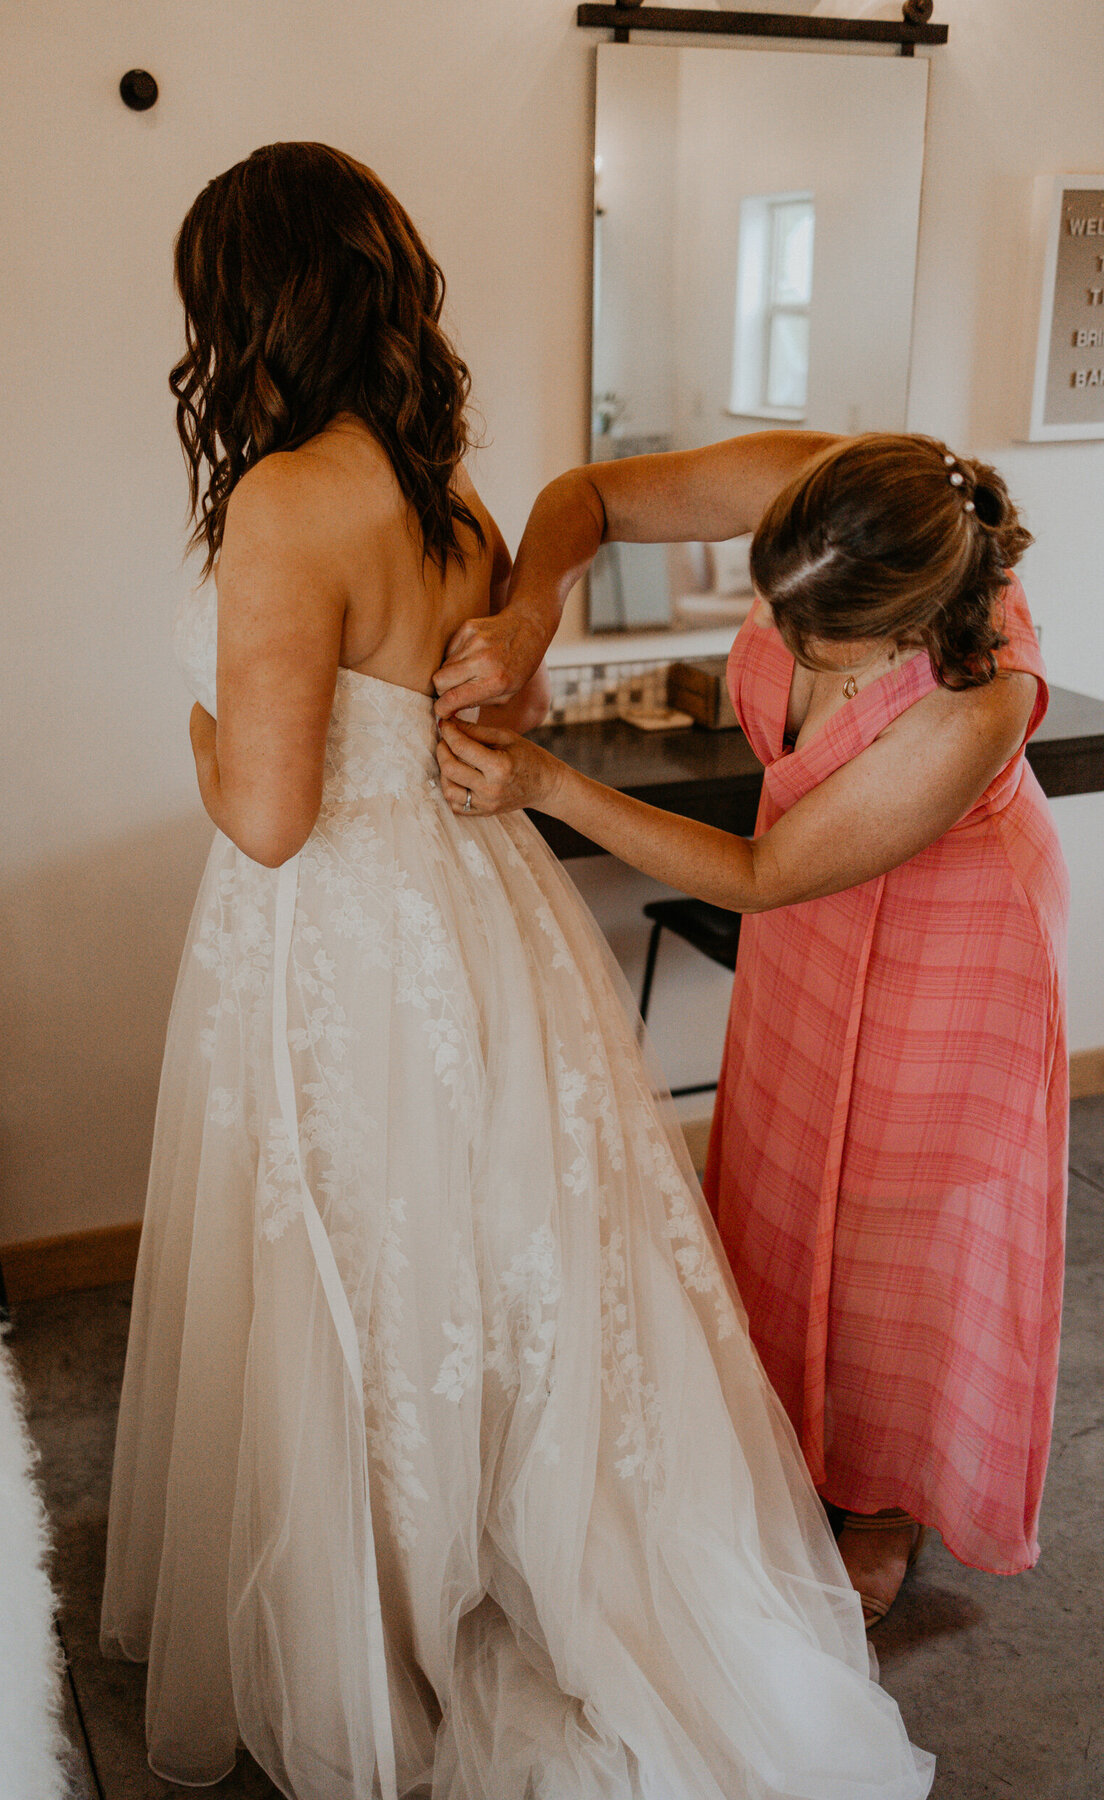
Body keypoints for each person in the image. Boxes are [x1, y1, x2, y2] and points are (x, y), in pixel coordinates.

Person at [101, 145, 935, 1799]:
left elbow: (267, 819)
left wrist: (199, 735)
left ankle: (382, 1608)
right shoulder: (451, 500)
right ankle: (504, 1550)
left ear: (246, 309)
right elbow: (493, 718)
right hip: (476, 916)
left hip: (338, 941)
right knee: (492, 1259)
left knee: (361, 1269)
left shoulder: (285, 504)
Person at [435, 432, 1068, 1632]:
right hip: (817, 925)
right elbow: (592, 496)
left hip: (953, 936)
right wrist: (530, 614)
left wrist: (553, 784)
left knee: (899, 1217)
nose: (781, 636)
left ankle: (884, 1500)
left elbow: (766, 868)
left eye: (811, 634)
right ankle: (785, 1432)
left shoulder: (976, 706)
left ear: (901, 632)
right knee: (783, 1184)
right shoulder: (840, 487)